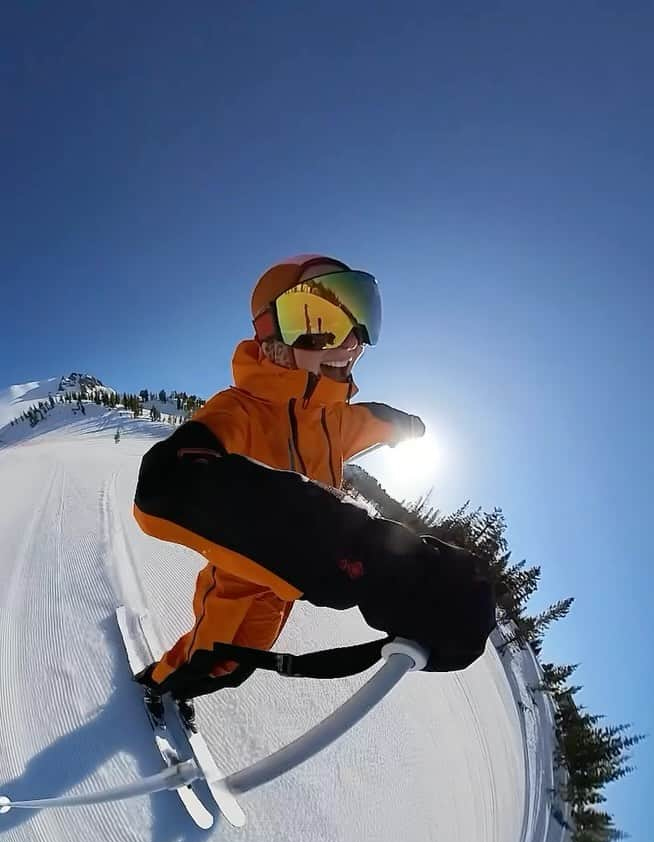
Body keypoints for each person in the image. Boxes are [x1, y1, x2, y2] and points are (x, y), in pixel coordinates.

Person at [133, 254, 496, 711]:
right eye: (320, 319)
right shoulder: (240, 410)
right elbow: (168, 481)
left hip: (285, 586)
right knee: (208, 652)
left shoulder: (335, 421)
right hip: (239, 573)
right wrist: (363, 554)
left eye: (361, 320)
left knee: (238, 665)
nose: (351, 343)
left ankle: (185, 691)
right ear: (273, 337)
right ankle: (160, 683)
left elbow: (375, 420)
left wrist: (411, 426)